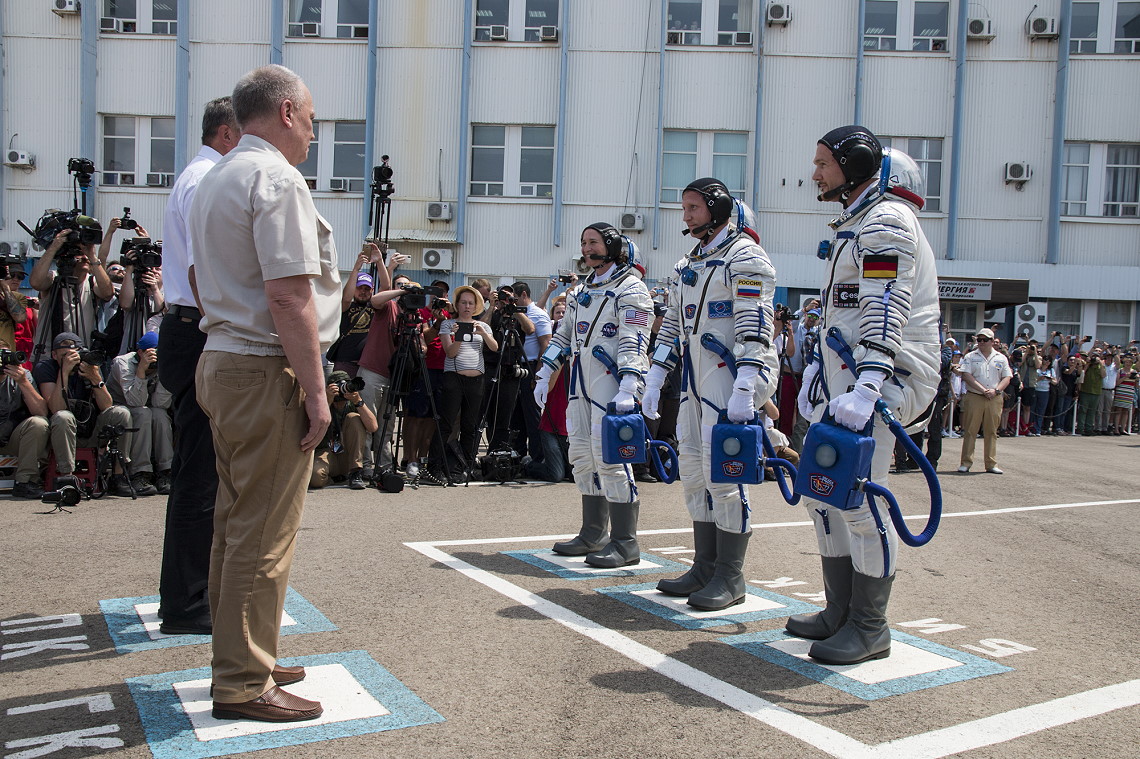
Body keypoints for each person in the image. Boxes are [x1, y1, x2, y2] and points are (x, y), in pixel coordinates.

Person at [190, 65, 339, 723]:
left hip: (223, 358)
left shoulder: (219, 172)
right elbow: (288, 293)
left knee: (235, 522)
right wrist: (315, 390)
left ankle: (248, 653)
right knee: (263, 532)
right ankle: (244, 679)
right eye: (309, 116)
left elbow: (197, 274)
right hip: (261, 365)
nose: (312, 128)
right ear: (284, 112)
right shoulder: (276, 177)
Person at [791, 128, 941, 665]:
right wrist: (818, 371)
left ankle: (870, 626)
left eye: (824, 163)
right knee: (822, 494)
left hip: (886, 376)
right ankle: (840, 609)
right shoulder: (857, 225)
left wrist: (871, 380)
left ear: (856, 166)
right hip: (850, 376)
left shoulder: (887, 223)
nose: (815, 173)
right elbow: (844, 315)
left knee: (860, 499)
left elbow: (884, 305)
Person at [643, 178, 780, 611]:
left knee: (724, 476)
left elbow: (756, 323)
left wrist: (746, 384)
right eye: (684, 207)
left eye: (693, 207)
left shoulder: (745, 257)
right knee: (694, 470)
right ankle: (705, 565)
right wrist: (655, 373)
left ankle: (730, 576)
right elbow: (671, 325)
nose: (685, 215)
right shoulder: (690, 263)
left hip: (730, 373)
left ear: (718, 208)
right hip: (695, 380)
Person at [155, 96, 239, 637]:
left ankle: (188, 595)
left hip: (185, 326)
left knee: (202, 469)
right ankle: (186, 603)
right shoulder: (205, 179)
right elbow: (201, 273)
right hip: (195, 329)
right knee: (200, 474)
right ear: (229, 133)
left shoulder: (197, 175)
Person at [535, 223, 654, 568]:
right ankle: (592, 532)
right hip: (580, 384)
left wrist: (630, 384)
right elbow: (563, 335)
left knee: (612, 459)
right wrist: (544, 372)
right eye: (583, 242)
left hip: (612, 384)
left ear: (612, 246)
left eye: (593, 242)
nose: (586, 248)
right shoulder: (581, 291)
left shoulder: (632, 289)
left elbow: (635, 340)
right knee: (582, 456)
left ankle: (625, 542)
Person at [34, 331, 135, 496]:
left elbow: (107, 406)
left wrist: (95, 378)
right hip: (61, 434)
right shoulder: (46, 368)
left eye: (75, 354)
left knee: (121, 413)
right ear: (54, 354)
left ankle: (118, 476)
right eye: (65, 354)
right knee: (63, 416)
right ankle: (67, 478)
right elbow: (56, 408)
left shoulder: (89, 365)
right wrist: (64, 373)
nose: (72, 358)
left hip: (91, 429)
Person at [437, 286, 497, 480]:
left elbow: (494, 347)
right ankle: (438, 464)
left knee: (470, 426)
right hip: (454, 377)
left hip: (477, 379)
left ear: (476, 306)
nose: (467, 306)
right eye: (463, 302)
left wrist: (483, 332)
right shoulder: (448, 324)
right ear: (457, 304)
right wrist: (459, 336)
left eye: (471, 303)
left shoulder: (483, 326)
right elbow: (450, 352)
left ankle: (467, 466)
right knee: (446, 424)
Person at [110, 330, 171, 496]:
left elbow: (161, 403)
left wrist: (166, 370)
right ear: (140, 352)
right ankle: (140, 473)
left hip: (147, 408)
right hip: (121, 408)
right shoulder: (123, 363)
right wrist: (141, 370)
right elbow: (135, 402)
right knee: (143, 413)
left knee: (159, 414)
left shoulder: (162, 364)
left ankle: (166, 471)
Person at [956, 328, 1013, 472]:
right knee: (970, 430)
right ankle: (966, 462)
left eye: (985, 340)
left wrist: (997, 390)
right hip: (975, 395)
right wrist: (983, 390)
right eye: (979, 339)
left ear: (992, 341)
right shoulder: (970, 356)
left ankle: (991, 464)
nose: (981, 342)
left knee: (992, 431)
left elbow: (1007, 377)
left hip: (995, 397)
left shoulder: (1001, 357)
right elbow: (966, 375)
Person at [0, 338, 51, 499]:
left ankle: (25, 481)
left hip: (10, 438)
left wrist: (23, 382)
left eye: (6, 355)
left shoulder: (23, 375)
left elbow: (41, 411)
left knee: (38, 423)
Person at [309, 371, 377, 489]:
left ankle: (355, 472)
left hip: (348, 455)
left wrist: (358, 401)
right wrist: (328, 400)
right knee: (316, 478)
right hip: (326, 452)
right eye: (338, 387)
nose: (342, 390)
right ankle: (335, 479)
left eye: (345, 386)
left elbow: (373, 427)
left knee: (354, 418)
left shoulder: (353, 404)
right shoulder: (322, 402)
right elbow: (314, 424)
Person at [514, 282, 552, 461]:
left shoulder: (538, 314)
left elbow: (546, 344)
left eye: (514, 298)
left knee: (532, 417)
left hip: (530, 367)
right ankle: (517, 455)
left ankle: (538, 458)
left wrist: (538, 374)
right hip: (514, 368)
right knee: (516, 418)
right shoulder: (513, 314)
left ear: (523, 295)